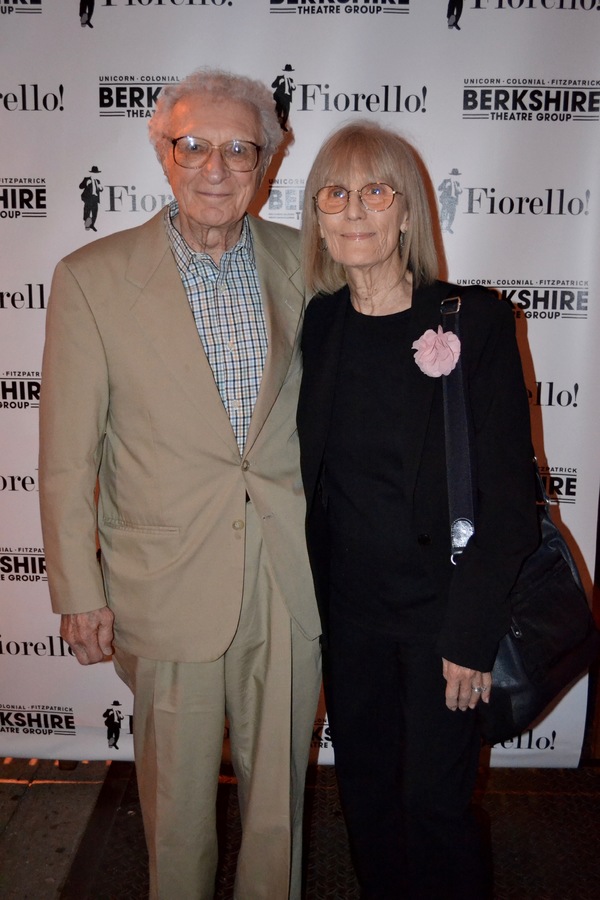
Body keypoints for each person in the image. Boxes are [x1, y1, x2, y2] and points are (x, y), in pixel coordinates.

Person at [39, 68, 322, 900]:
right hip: (162, 582)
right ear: (162, 153)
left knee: (281, 808)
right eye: (192, 145)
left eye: (240, 150)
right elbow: (66, 455)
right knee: (176, 812)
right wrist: (75, 587)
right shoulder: (92, 278)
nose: (215, 168)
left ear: (267, 162)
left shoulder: (305, 263)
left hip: (287, 573)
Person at [297, 121, 539, 899]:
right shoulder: (322, 323)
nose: (356, 210)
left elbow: (510, 500)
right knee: (365, 799)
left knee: (432, 807)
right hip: (350, 618)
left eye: (376, 190)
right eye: (336, 193)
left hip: (443, 620)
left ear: (408, 213)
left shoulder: (473, 320)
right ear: (318, 216)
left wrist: (470, 635)